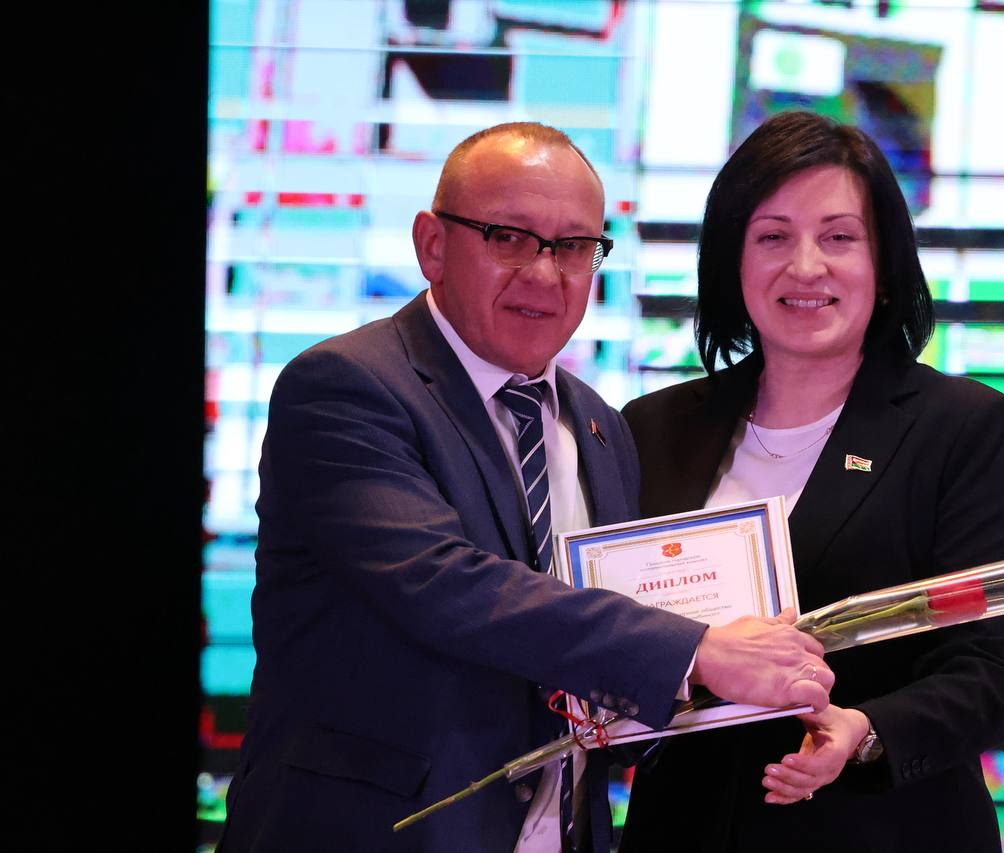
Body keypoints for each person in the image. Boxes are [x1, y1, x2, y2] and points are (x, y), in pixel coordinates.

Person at [218, 122, 835, 853]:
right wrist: (698, 650)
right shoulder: (348, 387)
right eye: (508, 238)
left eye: (573, 247)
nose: (545, 274)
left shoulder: (601, 427)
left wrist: (759, 699)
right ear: (432, 245)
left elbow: (602, 656)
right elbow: (445, 583)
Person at [619, 111, 1004, 852]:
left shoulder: (966, 428)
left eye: (839, 237)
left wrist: (866, 730)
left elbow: (993, 667)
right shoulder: (651, 427)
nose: (806, 266)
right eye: (772, 237)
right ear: (732, 262)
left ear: (886, 265)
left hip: (881, 831)